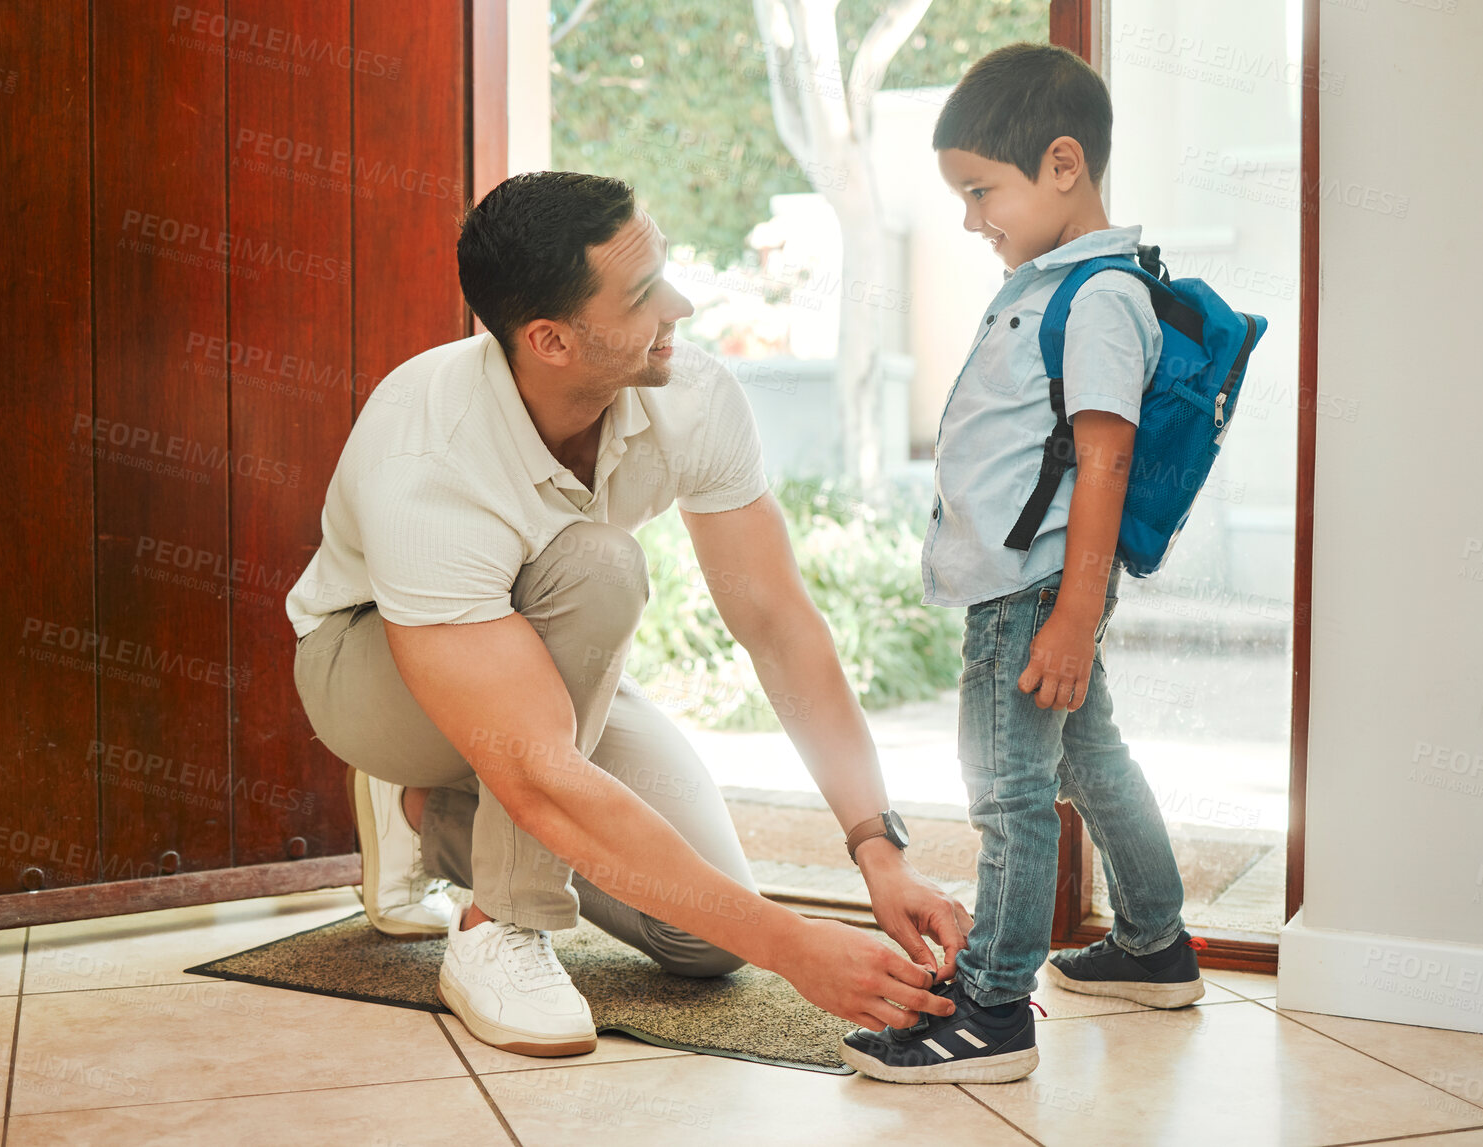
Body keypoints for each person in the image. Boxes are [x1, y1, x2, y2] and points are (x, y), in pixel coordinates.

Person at [287, 170, 972, 1059]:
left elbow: (778, 623)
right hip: (372, 670)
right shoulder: (429, 451)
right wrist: (794, 946)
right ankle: (498, 926)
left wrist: (877, 846)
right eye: (645, 294)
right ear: (552, 340)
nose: (681, 306)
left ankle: (427, 811)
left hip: (527, 671)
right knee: (601, 564)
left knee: (712, 938)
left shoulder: (687, 390)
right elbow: (535, 770)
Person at [839, 43, 1204, 1085]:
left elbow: (1105, 457)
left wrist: (1069, 613)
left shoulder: (1093, 297)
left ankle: (991, 1007)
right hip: (1041, 588)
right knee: (1089, 761)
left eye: (978, 191)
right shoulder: (1067, 283)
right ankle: (1152, 942)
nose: (968, 218)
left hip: (1026, 595)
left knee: (1006, 796)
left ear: (1059, 165)